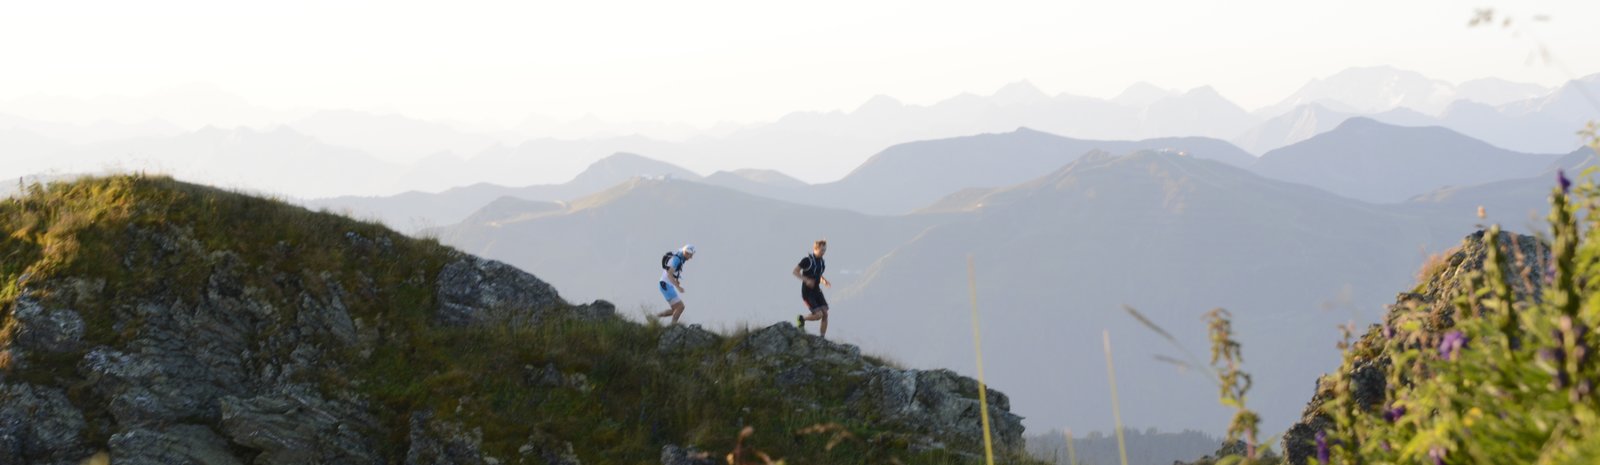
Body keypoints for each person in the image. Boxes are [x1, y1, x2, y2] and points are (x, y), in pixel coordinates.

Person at [794, 240, 831, 338]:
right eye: (822, 250)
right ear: (815, 249)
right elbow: (795, 271)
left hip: (817, 291)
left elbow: (818, 274)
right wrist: (806, 280)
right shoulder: (807, 260)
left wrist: (824, 281)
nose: (824, 252)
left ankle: (822, 338)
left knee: (825, 314)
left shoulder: (821, 262)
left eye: (825, 250)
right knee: (818, 315)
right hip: (807, 292)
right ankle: (802, 318)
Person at [655, 244, 695, 324]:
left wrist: (676, 281)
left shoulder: (681, 257)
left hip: (666, 284)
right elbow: (669, 274)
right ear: (686, 253)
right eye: (690, 255)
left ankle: (654, 317)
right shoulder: (677, 259)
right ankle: (673, 327)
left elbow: (673, 273)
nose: (691, 258)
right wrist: (678, 287)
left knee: (675, 309)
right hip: (665, 285)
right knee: (680, 307)